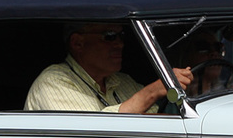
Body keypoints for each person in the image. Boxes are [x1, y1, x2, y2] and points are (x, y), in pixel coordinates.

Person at [25, 20, 191, 112]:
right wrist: (153, 91)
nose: (120, 44)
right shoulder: (53, 82)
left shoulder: (123, 81)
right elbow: (93, 135)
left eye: (121, 36)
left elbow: (156, 120)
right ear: (78, 43)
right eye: (110, 36)